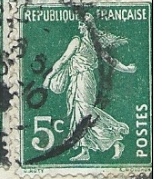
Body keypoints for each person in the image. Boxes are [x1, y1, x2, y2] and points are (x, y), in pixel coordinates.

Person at [43, 17, 137, 162]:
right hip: (78, 80)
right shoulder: (95, 44)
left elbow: (63, 60)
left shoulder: (78, 41)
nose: (79, 28)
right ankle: (85, 149)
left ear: (87, 27)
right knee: (78, 113)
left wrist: (49, 77)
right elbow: (111, 61)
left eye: (81, 25)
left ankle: (115, 141)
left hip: (84, 80)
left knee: (86, 113)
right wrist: (128, 69)